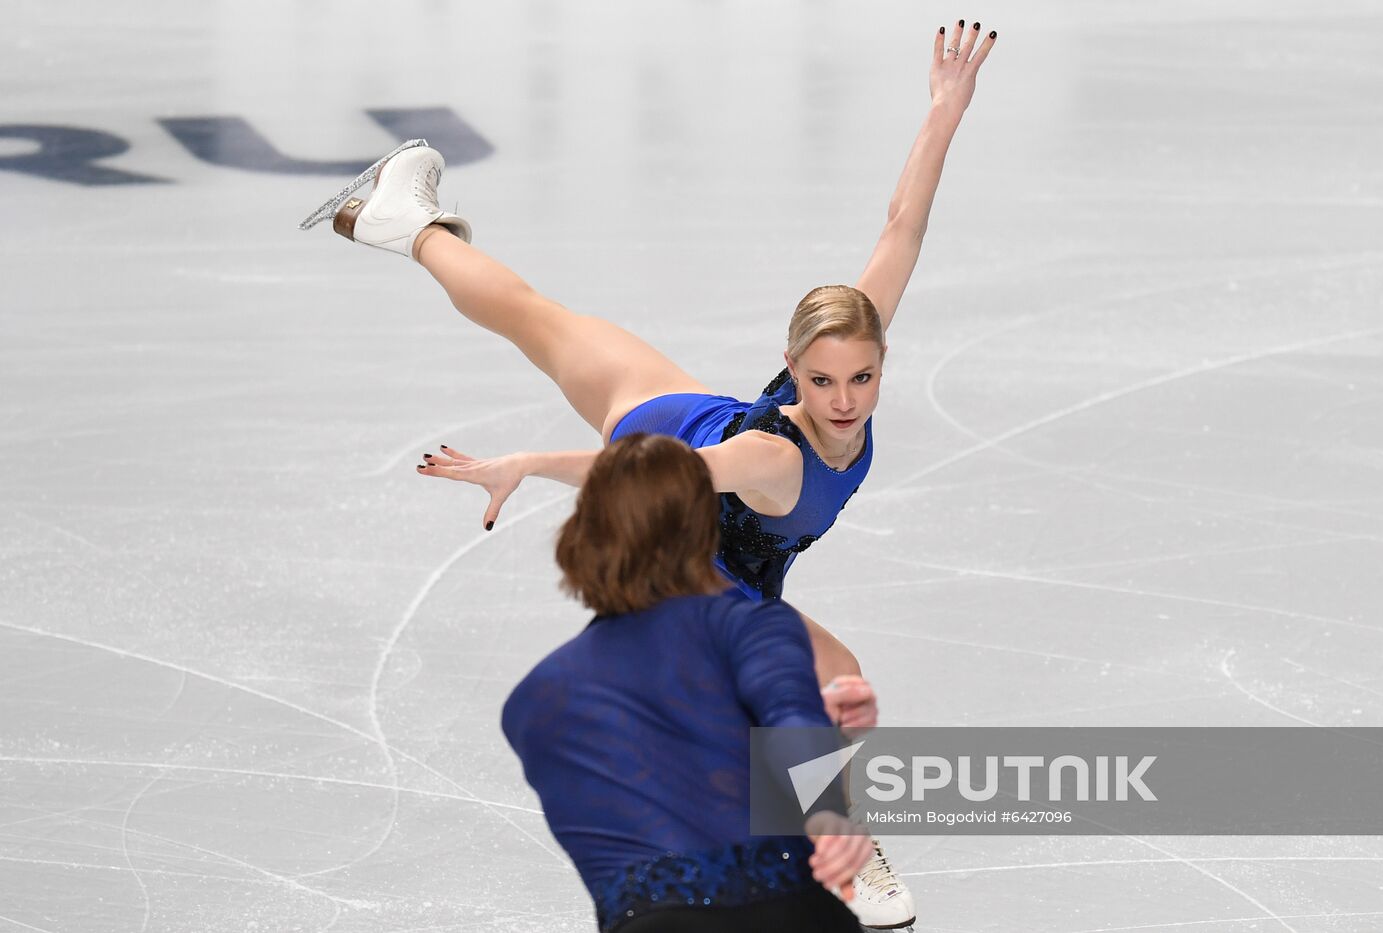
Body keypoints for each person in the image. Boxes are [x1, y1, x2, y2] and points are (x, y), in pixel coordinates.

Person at [303, 19, 996, 926]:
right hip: (681, 495)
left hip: (671, 407)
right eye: (820, 380)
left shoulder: (846, 352)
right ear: (791, 368)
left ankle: (403, 218)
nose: (844, 399)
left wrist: (945, 109)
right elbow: (648, 477)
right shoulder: (771, 454)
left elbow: (903, 226)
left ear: (878, 358)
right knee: (830, 672)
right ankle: (847, 857)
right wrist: (528, 463)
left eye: (861, 376)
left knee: (534, 316)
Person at [501, 433, 876, 932]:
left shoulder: (532, 703)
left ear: (586, 530)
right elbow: (789, 717)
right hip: (788, 912)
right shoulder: (753, 626)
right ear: (705, 527)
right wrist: (826, 814)